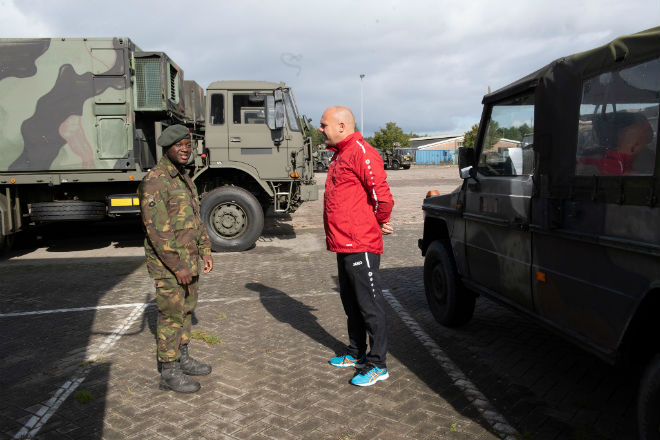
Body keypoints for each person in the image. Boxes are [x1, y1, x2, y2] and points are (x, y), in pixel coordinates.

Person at [319, 106, 394, 387]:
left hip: (360, 243)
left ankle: (378, 364)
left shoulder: (362, 152)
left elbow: (383, 198)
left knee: (369, 306)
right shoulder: (340, 155)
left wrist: (377, 222)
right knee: (351, 304)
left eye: (324, 124)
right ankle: (357, 353)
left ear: (341, 126)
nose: (320, 129)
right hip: (343, 244)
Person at [138, 124, 214, 394]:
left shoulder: (183, 178)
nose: (185, 149)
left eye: (188, 144)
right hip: (170, 267)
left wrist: (205, 250)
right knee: (171, 315)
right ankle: (169, 371)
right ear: (166, 148)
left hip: (189, 261)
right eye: (179, 145)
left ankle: (183, 357)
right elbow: (157, 231)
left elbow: (195, 219)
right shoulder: (156, 181)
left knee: (186, 311)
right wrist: (177, 265)